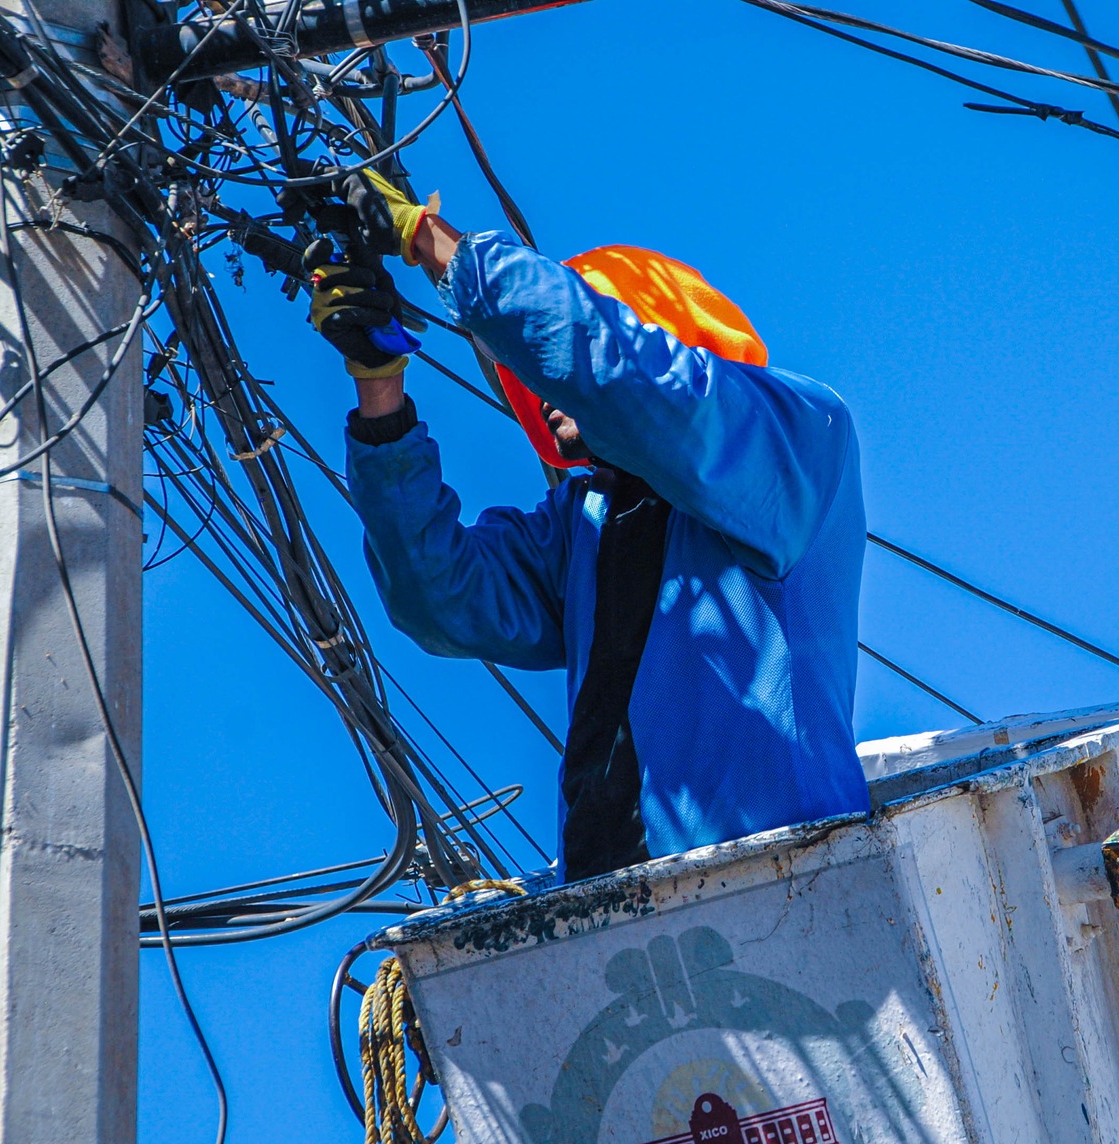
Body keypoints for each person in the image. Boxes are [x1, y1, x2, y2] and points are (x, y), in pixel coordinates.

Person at [306, 173, 869, 883]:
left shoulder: (796, 439)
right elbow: (437, 594)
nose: (542, 390)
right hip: (619, 926)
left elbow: (634, 383)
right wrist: (378, 383)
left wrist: (431, 241)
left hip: (791, 883)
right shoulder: (585, 526)